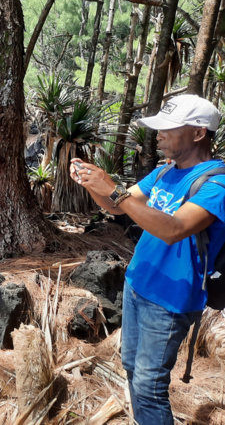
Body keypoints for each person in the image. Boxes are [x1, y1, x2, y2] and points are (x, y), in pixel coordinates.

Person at [71, 94, 225, 425]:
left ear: (198, 133)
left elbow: (174, 228)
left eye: (168, 128)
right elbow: (117, 207)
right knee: (130, 367)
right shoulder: (164, 173)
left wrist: (113, 189)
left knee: (148, 385)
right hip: (137, 282)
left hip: (171, 299)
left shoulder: (217, 183)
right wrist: (93, 184)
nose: (159, 135)